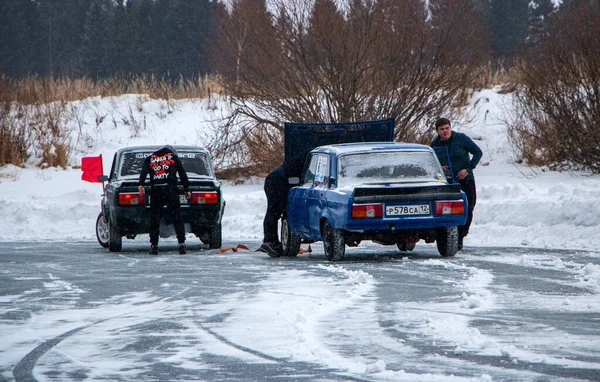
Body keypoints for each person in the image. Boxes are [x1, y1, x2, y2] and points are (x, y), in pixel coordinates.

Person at [430, 118, 482, 250]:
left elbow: (478, 152)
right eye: (442, 129)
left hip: (466, 179)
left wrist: (468, 169)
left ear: (450, 128)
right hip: (448, 182)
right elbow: (431, 162)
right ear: (437, 131)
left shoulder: (461, 138)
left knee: (468, 207)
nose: (445, 131)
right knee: (450, 209)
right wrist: (440, 167)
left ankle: (461, 235)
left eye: (447, 128)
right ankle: (452, 236)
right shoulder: (434, 145)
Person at [138, 145, 191, 255]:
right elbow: (182, 173)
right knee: (177, 216)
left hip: (156, 190)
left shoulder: (150, 158)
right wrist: (187, 189)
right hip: (170, 190)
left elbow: (143, 172)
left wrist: (141, 184)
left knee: (155, 218)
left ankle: (154, 245)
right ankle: (181, 244)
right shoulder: (173, 157)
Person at [259, 164, 291, 257]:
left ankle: (271, 240)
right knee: (274, 211)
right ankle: (269, 241)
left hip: (279, 178)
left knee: (275, 211)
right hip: (276, 180)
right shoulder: (308, 158)